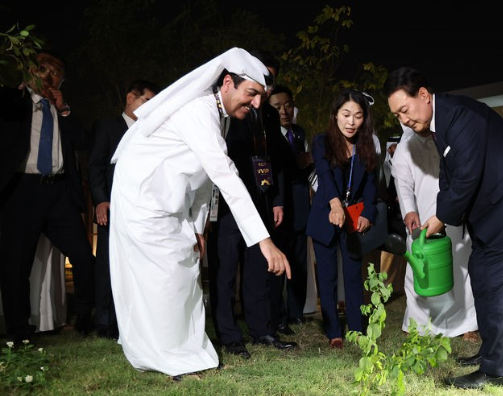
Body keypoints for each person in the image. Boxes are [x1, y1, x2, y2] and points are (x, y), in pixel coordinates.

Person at [108, 47, 291, 378]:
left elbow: (205, 181)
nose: (256, 105)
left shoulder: (216, 113)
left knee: (184, 275)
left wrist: (198, 228)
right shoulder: (197, 110)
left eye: (260, 97)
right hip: (145, 200)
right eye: (251, 94)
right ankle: (172, 360)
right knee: (165, 280)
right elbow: (224, 175)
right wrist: (264, 242)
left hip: (172, 203)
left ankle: (183, 352)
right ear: (226, 83)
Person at [385, 67, 503, 389]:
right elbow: (450, 175)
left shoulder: (459, 117)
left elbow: (467, 177)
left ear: (423, 95)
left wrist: (440, 217)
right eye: (398, 116)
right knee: (480, 272)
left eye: (405, 111)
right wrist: (440, 212)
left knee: (501, 285)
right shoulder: (440, 123)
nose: (404, 121)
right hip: (494, 213)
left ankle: (495, 372)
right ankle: (489, 350)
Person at [0, 50, 95, 343]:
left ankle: (84, 320)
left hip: (58, 193)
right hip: (22, 191)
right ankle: (19, 331)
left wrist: (64, 108)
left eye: (56, 72)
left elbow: (83, 140)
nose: (49, 76)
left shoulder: (61, 110)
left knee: (83, 256)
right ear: (30, 72)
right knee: (17, 265)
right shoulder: (12, 101)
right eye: (43, 69)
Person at [207, 50, 296, 360]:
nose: (264, 90)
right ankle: (229, 335)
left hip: (261, 200)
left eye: (269, 82)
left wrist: (277, 199)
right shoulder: (224, 110)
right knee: (226, 270)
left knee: (258, 269)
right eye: (259, 82)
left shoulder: (267, 114)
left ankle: (261, 330)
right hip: (230, 203)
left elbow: (278, 162)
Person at [390, 125, 478, 341]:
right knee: (418, 270)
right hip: (419, 215)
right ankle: (417, 323)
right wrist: (409, 210)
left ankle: (467, 324)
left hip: (452, 213)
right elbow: (402, 183)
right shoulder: (405, 147)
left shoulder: (446, 139)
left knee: (460, 266)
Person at [87, 79, 160, 339]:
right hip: (113, 209)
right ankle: (104, 323)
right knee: (108, 266)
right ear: (130, 97)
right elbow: (95, 166)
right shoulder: (107, 127)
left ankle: (131, 322)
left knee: (137, 269)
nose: (151, 107)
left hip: (143, 212)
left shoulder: (152, 132)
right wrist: (100, 200)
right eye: (146, 101)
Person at [306, 89, 378, 349]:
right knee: (327, 277)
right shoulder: (321, 141)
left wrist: (368, 213)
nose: (351, 122)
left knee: (353, 276)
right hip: (326, 216)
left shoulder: (367, 145)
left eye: (358, 116)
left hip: (353, 220)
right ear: (335, 115)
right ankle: (334, 332)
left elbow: (371, 184)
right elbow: (324, 176)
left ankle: (357, 329)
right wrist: (335, 204)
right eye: (346, 114)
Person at [268, 85, 314, 334]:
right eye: (277, 107)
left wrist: (306, 162)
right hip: (278, 206)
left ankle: (296, 313)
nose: (284, 111)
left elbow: (302, 168)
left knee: (299, 262)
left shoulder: (299, 132)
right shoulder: (267, 134)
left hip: (300, 205)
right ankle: (278, 316)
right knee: (278, 264)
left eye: (287, 105)